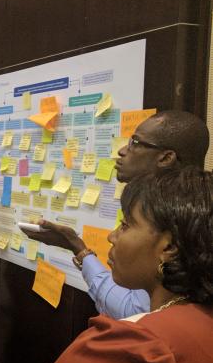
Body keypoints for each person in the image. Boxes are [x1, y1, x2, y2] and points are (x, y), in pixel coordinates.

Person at [0, 167, 213, 363]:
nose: (111, 236)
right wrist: (79, 248)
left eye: (125, 225)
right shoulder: (196, 316)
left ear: (169, 247)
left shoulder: (139, 345)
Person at [22, 110, 209, 318]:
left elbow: (133, 312)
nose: (121, 151)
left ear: (166, 158)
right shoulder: (172, 206)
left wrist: (79, 249)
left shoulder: (174, 219)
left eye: (135, 143)